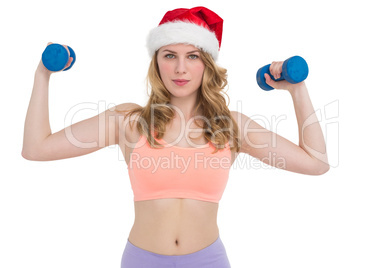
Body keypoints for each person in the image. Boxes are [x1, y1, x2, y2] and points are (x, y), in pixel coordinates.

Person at [22, 6, 329, 268]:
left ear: (206, 64)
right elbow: (36, 148)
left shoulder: (231, 127)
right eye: (170, 55)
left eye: (192, 56)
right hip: (142, 260)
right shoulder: (129, 121)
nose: (180, 68)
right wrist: (42, 75)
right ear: (157, 61)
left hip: (208, 260)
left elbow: (316, 163)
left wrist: (296, 90)